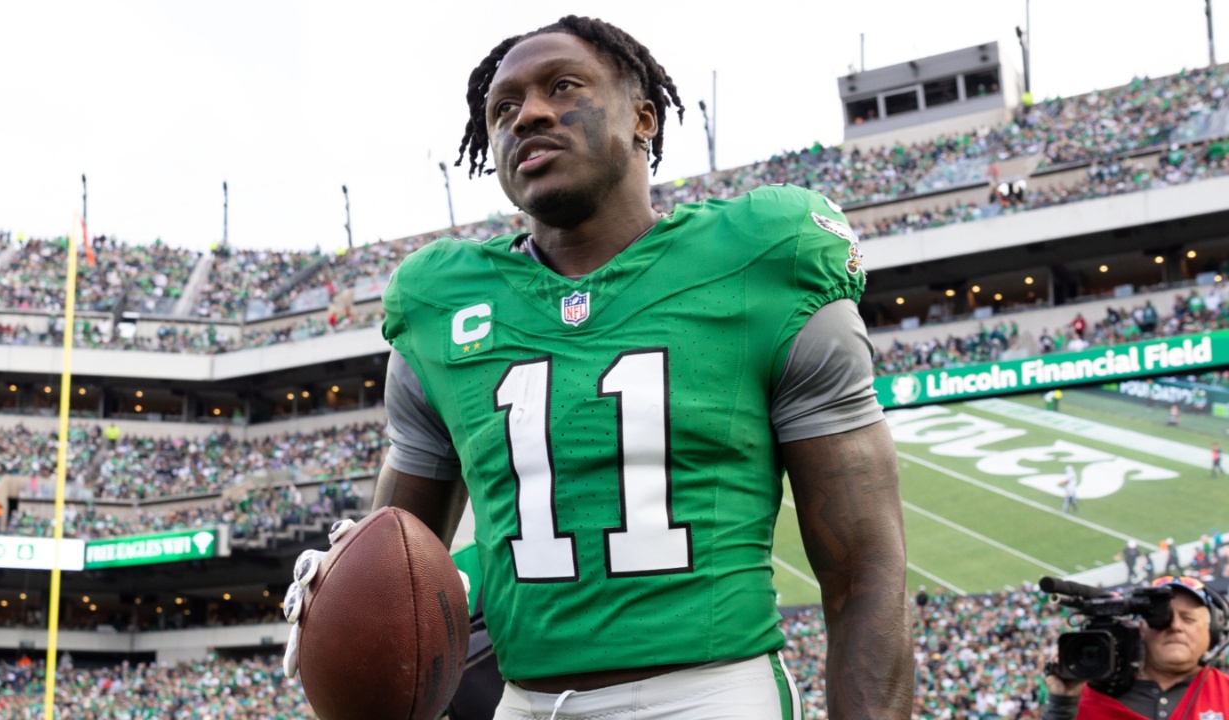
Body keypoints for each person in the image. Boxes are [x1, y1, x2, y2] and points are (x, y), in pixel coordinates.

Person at [286, 15, 911, 720]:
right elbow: (395, 559)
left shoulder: (760, 258)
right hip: (523, 702)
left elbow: (866, 570)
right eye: (503, 109)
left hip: (710, 695)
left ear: (645, 117)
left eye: (562, 86)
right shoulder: (438, 304)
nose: (530, 115)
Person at [1042, 575, 1229, 719]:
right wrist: (1062, 706)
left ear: (1212, 631)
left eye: (1188, 618)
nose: (1175, 626)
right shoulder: (1086, 699)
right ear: (1140, 628)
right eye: (1161, 619)